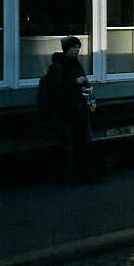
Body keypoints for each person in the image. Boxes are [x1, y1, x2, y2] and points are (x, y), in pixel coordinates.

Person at [45, 35, 99, 184]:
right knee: (69, 145)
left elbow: (85, 86)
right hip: (66, 112)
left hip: (81, 111)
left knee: (85, 143)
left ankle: (86, 174)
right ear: (67, 49)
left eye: (78, 47)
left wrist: (91, 102)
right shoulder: (58, 66)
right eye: (75, 47)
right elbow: (57, 89)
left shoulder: (76, 64)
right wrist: (76, 82)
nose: (77, 50)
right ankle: (71, 176)